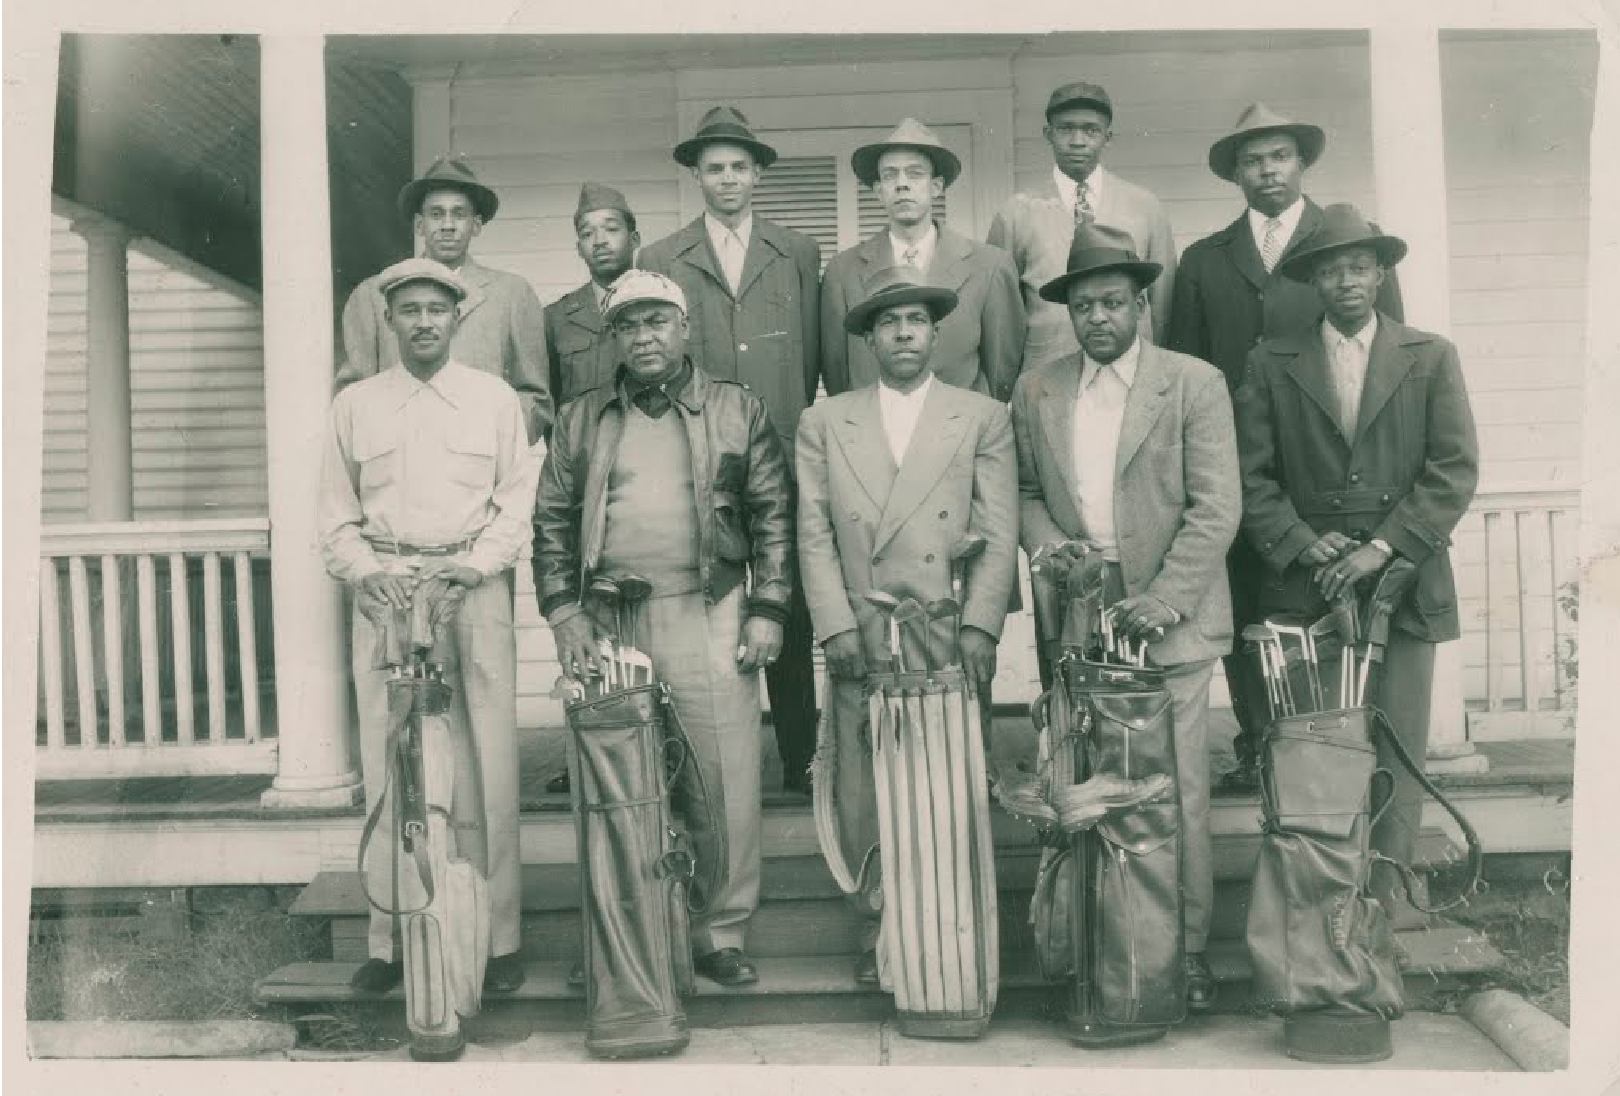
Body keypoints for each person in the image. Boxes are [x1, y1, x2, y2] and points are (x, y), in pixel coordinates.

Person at [533, 270, 795, 988]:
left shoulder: (737, 409)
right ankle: (626, 936)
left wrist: (768, 609)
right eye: (628, 326)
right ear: (614, 338)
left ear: (684, 329)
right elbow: (552, 521)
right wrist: (565, 611)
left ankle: (719, 930)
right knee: (619, 780)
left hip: (708, 607)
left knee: (721, 777)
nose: (643, 337)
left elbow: (773, 513)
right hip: (610, 617)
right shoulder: (582, 417)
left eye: (657, 322)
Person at [1010, 223, 1240, 1012]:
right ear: (1066, 313)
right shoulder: (1038, 387)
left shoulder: (1194, 382)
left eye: (1112, 302)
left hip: (1170, 611)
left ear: (1142, 303)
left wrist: (1167, 597)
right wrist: (1055, 555)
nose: (1098, 317)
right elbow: (1029, 494)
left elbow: (1217, 508)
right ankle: (1108, 949)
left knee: (1173, 789)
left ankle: (1187, 950)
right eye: (1083, 305)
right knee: (1090, 783)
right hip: (1081, 608)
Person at [1233, 203, 1478, 925]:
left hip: (1404, 576)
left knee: (1397, 742)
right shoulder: (1270, 361)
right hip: (1306, 581)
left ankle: (1392, 896)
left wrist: (1383, 546)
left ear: (1380, 273)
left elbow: (1454, 469)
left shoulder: (1429, 355)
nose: (1346, 281)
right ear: (1312, 280)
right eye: (1330, 269)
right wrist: (1308, 542)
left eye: (1359, 266)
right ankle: (1319, 898)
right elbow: (1252, 477)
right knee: (1318, 749)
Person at [318, 257, 539, 996]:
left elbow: (516, 503)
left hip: (471, 587)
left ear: (456, 319)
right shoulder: (357, 406)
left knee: (486, 763)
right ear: (390, 319)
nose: (423, 322)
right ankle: (392, 941)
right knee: (393, 764)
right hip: (386, 591)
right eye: (408, 310)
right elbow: (334, 513)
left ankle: (497, 937)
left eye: (436, 310)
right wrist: (366, 572)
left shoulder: (493, 399)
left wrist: (474, 568)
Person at [1168, 104, 1406, 786]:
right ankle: (1257, 743)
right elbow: (1184, 372)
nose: (1267, 170)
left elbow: (1395, 365)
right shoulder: (1204, 261)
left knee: (1334, 614)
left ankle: (1335, 750)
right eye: (1252, 160)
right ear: (1236, 174)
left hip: (1334, 469)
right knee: (1247, 606)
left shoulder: (1348, 250)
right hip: (1238, 470)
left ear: (1302, 164)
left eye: (1278, 156)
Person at [797, 265, 1018, 985]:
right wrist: (834, 626)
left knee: (948, 783)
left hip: (944, 628)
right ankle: (879, 927)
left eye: (915, 320)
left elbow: (997, 524)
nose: (902, 333)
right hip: (865, 628)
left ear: (934, 332)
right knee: (866, 785)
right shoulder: (825, 421)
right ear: (866, 337)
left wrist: (982, 625)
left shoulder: (980, 414)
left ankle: (949, 927)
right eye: (887, 322)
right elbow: (813, 534)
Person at [638, 105, 822, 793]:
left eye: (739, 166)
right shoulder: (661, 258)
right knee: (702, 598)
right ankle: (704, 764)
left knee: (786, 604)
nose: (727, 179)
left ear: (758, 173)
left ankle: (801, 758)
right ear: (696, 175)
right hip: (699, 453)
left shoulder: (797, 252)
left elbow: (811, 362)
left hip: (780, 447)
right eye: (714, 167)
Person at [336, 156, 553, 444]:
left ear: (476, 225)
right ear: (419, 225)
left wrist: (491, 447)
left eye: (459, 214)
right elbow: (352, 396)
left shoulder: (512, 294)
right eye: (436, 214)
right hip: (400, 465)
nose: (448, 225)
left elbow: (535, 398)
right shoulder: (373, 296)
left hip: (481, 467)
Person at [821, 118, 1025, 401]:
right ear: (878, 191)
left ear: (936, 187)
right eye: (890, 175)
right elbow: (837, 376)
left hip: (959, 436)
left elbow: (1002, 373)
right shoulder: (842, 272)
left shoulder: (989, 266)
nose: (902, 185)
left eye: (915, 174)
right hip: (874, 434)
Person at [988, 81, 1176, 373]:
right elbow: (1001, 314)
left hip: (1130, 371)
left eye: (1091, 130)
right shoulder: (1017, 212)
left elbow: (1162, 305)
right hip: (1046, 373)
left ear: (1107, 137)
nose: (1078, 140)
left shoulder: (1144, 207)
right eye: (1065, 129)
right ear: (1048, 134)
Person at [545, 181, 640, 407]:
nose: (599, 241)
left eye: (612, 229)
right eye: (587, 233)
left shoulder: (661, 305)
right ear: (579, 249)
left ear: (634, 239)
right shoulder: (554, 318)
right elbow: (548, 403)